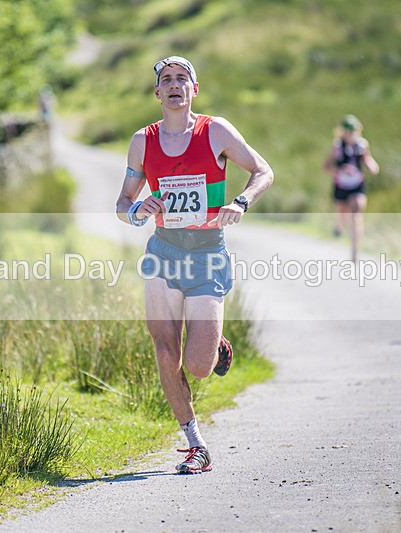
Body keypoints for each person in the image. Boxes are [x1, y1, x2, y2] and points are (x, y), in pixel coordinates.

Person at [116, 56, 274, 474]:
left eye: (181, 79)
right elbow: (122, 204)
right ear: (157, 93)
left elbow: (263, 171)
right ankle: (196, 444)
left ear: (194, 90)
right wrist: (138, 210)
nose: (173, 85)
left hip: (206, 252)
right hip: (164, 253)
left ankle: (215, 345)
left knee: (198, 367)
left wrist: (240, 201)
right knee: (165, 351)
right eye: (165, 80)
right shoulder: (142, 141)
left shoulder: (215, 131)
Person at [322, 114, 379, 263]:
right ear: (342, 131)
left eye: (354, 129)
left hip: (357, 184)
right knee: (342, 212)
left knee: (357, 210)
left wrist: (372, 166)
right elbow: (326, 167)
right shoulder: (337, 146)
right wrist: (339, 171)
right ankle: (339, 226)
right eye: (348, 130)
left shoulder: (362, 145)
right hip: (341, 184)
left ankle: (355, 250)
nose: (351, 133)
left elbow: (367, 160)